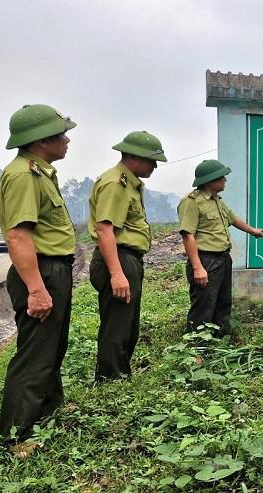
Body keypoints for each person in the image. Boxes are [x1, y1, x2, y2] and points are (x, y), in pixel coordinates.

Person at [0, 104, 76, 454]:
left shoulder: (39, 173)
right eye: (62, 134)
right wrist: (37, 289)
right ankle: (17, 434)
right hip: (40, 271)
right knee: (35, 354)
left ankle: (48, 410)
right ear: (42, 140)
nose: (67, 140)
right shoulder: (24, 176)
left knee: (52, 346)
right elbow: (18, 236)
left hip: (51, 269)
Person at [87, 131, 166, 381]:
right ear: (133, 157)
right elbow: (105, 229)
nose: (154, 166)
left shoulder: (129, 184)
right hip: (118, 258)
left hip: (126, 258)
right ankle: (110, 378)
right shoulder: (116, 184)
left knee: (127, 323)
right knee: (117, 324)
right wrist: (117, 273)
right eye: (151, 160)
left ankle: (120, 373)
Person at [177, 159, 263, 335]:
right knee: (204, 305)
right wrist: (198, 268)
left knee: (223, 303)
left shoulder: (217, 201)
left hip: (223, 258)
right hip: (205, 260)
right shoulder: (192, 201)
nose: (225, 180)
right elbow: (188, 235)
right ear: (210, 180)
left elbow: (233, 219)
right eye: (221, 177)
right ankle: (197, 344)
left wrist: (252, 231)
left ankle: (220, 340)